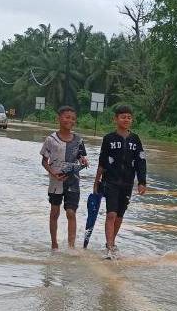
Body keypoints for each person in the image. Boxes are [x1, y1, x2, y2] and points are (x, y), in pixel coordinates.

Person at [93, 104, 147, 260]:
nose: (126, 119)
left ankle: (112, 242)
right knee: (111, 214)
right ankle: (109, 246)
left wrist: (142, 182)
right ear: (115, 119)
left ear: (132, 120)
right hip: (110, 181)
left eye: (129, 117)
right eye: (123, 117)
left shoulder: (135, 139)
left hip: (127, 183)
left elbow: (141, 162)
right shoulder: (108, 139)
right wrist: (96, 182)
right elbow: (102, 162)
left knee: (119, 216)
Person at [40, 106, 89, 250]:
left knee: (71, 212)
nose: (70, 120)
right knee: (54, 212)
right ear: (59, 118)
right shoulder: (51, 139)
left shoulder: (79, 140)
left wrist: (84, 161)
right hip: (56, 182)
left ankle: (71, 247)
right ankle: (54, 244)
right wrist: (52, 173)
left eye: (73, 118)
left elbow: (81, 157)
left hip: (73, 181)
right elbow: (44, 161)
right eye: (67, 117)